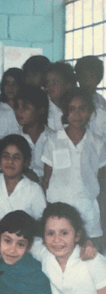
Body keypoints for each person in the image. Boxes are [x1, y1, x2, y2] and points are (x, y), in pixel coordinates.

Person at [43, 88, 106, 243]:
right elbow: (47, 180)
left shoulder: (98, 143)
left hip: (88, 215)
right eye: (71, 109)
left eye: (82, 109)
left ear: (90, 111)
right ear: (65, 112)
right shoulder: (53, 141)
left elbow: (101, 181)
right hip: (59, 214)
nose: (77, 115)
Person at [0, 134, 46, 224]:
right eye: (5, 156)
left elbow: (42, 223)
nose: (10, 161)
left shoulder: (34, 190)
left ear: (25, 162)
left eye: (16, 158)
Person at [0, 68, 23, 167]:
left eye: (14, 84)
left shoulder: (24, 110)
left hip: (20, 160)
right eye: (7, 83)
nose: (10, 87)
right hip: (0, 162)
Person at [14, 84, 50, 182]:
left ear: (41, 110)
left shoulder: (53, 138)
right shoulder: (13, 140)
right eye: (17, 107)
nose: (18, 112)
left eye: (25, 107)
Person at [45, 61, 77, 133]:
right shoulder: (43, 108)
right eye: (48, 82)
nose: (50, 86)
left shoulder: (77, 108)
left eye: (55, 82)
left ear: (68, 85)